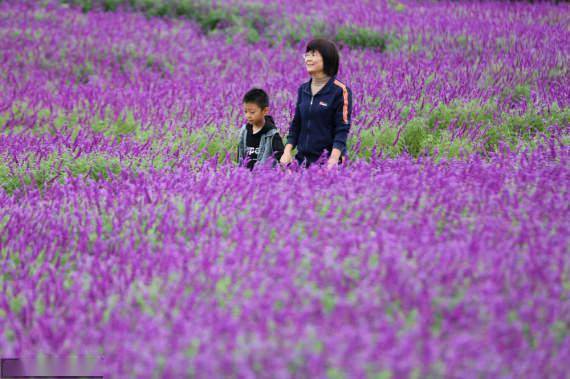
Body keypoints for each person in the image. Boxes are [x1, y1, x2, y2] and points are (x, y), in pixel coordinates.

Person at [280, 38, 353, 169]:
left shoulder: (340, 91)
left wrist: (333, 159)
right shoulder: (303, 89)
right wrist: (287, 151)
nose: (308, 59)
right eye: (306, 55)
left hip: (327, 163)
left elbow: (342, 129)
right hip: (302, 162)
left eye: (313, 55)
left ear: (327, 58)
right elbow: (296, 124)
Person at [237, 88, 285, 170]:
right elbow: (240, 155)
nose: (248, 115)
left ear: (265, 111)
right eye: (245, 112)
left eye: (252, 112)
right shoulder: (244, 131)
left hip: (265, 178)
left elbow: (282, 158)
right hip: (245, 178)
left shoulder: (272, 134)